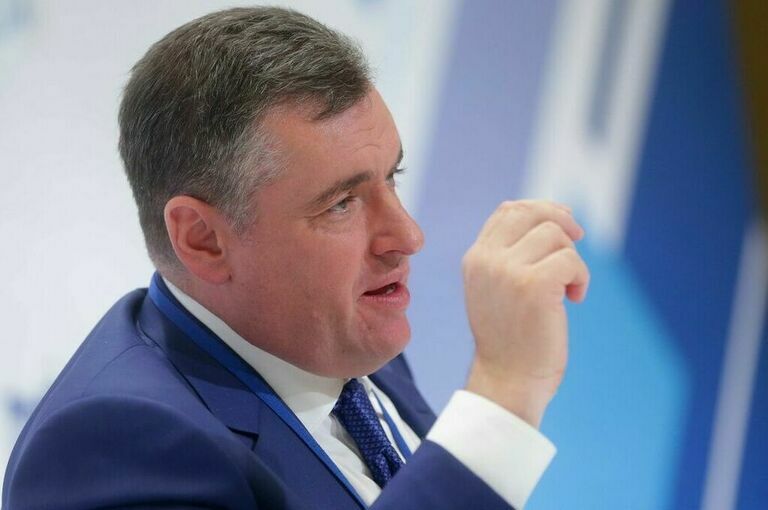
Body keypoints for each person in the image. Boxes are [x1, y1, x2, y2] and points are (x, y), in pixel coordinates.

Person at [2, 6, 589, 510]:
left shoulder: (337, 344)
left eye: (392, 177)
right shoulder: (114, 447)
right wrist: (503, 394)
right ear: (203, 239)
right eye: (341, 204)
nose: (408, 236)